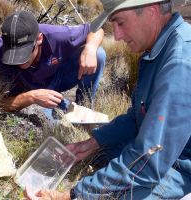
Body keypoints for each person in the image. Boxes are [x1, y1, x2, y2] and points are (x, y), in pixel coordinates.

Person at [25, 0, 191, 199]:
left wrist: (72, 195)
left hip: (182, 168)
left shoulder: (179, 64)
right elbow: (137, 117)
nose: (117, 35)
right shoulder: (157, 48)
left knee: (122, 191)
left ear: (152, 11)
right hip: (163, 153)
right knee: (107, 149)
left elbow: (149, 160)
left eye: (120, 23)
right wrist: (92, 143)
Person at [0, 10, 106, 111]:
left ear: (39, 39)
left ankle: (84, 109)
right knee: (53, 121)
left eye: (24, 53)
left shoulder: (57, 35)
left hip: (56, 78)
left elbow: (96, 29)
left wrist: (90, 48)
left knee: (98, 54)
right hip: (26, 93)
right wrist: (32, 97)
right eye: (13, 55)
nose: (19, 61)